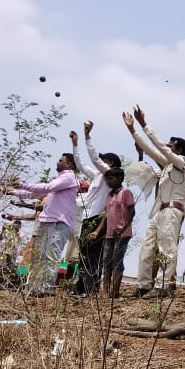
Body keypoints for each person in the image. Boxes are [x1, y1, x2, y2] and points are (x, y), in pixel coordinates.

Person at [123, 106, 185, 297]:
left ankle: (164, 286)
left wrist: (144, 124)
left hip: (172, 211)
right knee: (147, 248)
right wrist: (132, 130)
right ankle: (144, 285)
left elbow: (159, 147)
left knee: (166, 247)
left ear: (179, 150)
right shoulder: (167, 169)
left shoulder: (183, 164)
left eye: (171, 145)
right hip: (159, 212)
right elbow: (149, 150)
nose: (168, 146)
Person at [9, 153, 79, 297]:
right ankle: (34, 287)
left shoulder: (68, 177)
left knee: (50, 256)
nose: (57, 162)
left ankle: (46, 289)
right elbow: (37, 194)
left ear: (69, 165)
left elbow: (47, 188)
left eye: (61, 160)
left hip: (59, 223)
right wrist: (14, 192)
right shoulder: (58, 181)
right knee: (37, 256)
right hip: (45, 221)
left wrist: (22, 184)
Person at [70, 121, 122, 297]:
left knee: (93, 255)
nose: (101, 162)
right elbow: (81, 164)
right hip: (87, 218)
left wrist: (87, 137)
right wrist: (75, 145)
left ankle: (91, 288)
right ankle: (81, 287)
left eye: (104, 159)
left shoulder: (109, 174)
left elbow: (93, 158)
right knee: (83, 254)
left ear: (110, 163)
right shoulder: (98, 176)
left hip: (97, 219)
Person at [90, 167, 136, 298]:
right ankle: (105, 291)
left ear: (119, 178)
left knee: (117, 260)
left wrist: (123, 227)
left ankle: (115, 291)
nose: (109, 181)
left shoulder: (125, 192)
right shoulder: (109, 195)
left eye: (111, 178)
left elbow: (132, 211)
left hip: (122, 233)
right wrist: (97, 231)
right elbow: (106, 215)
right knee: (106, 261)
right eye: (107, 179)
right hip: (109, 234)